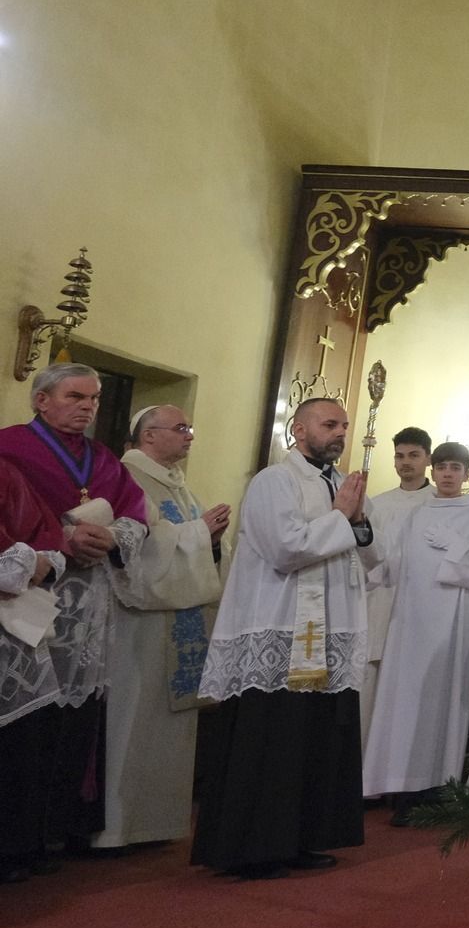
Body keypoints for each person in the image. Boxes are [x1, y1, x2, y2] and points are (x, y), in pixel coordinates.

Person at [192, 398, 376, 880]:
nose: (339, 432)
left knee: (309, 737)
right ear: (298, 429)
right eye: (328, 423)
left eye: (343, 425)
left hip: (327, 631)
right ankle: (251, 847)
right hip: (281, 626)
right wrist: (341, 516)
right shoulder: (275, 481)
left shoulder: (342, 483)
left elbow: (375, 556)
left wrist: (358, 520)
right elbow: (285, 547)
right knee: (272, 736)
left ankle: (297, 838)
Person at [0, 363, 149, 860]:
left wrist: (113, 537)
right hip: (29, 598)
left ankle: (55, 832)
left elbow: (136, 515)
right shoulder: (10, 447)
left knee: (76, 717)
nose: (87, 406)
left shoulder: (105, 460)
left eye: (95, 398)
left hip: (89, 605)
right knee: (30, 722)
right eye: (75, 396)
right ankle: (19, 839)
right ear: (42, 400)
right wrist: (60, 541)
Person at [98, 406, 227, 849]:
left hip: (177, 619)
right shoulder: (127, 476)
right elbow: (140, 547)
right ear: (149, 436)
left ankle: (155, 824)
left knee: (168, 722)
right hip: (140, 626)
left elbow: (189, 539)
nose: (190, 435)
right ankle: (116, 828)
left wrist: (206, 538)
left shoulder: (179, 486)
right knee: (133, 717)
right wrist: (197, 532)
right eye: (181, 428)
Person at [361, 442, 469, 824]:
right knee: (404, 703)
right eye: (442, 466)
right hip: (408, 621)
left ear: (465, 473)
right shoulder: (415, 514)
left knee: (443, 701)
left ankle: (437, 789)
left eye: (455, 468)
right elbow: (388, 561)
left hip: (452, 623)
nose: (447, 474)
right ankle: (402, 787)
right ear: (434, 469)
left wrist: (457, 547)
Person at [0, 457, 68, 883]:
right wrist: (27, 562)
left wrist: (42, 561)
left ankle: (15, 845)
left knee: (21, 742)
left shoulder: (7, 470)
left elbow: (50, 540)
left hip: (16, 632)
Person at [360, 427, 433, 742]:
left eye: (414, 455)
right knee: (370, 692)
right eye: (400, 456)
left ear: (428, 458)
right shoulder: (378, 504)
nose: (406, 463)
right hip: (378, 604)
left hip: (418, 608)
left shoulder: (439, 504)